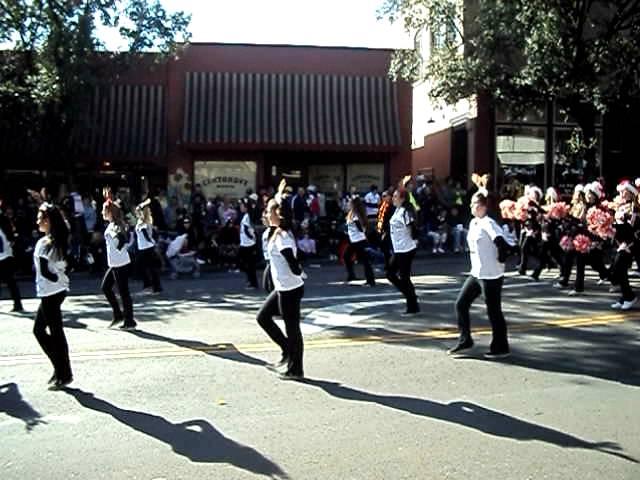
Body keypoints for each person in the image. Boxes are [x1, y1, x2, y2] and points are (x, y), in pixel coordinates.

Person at [448, 174, 511, 359]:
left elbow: (501, 242)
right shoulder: (474, 222)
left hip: (491, 275)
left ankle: (501, 346)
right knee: (461, 304)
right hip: (476, 273)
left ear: (483, 206)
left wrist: (500, 259)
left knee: (494, 312)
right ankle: (465, 340)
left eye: (473, 203)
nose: (470, 206)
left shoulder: (488, 223)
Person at [257, 198, 306, 379]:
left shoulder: (283, 237)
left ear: (278, 214)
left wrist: (299, 272)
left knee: (293, 329)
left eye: (270, 211)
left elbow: (293, 264)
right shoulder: (277, 232)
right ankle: (287, 350)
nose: (267, 214)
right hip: (282, 288)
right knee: (262, 317)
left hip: (290, 289)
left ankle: (296, 369)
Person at [32, 203, 73, 389]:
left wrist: (55, 276)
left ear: (48, 221)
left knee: (42, 331)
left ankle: (62, 371)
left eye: (40, 218)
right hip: (58, 290)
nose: (37, 221)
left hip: (50, 291)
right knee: (54, 332)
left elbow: (44, 272)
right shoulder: (56, 239)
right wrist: (61, 276)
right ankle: (62, 371)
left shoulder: (45, 243)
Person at [102, 193, 136, 330]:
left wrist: (119, 248)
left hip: (120, 263)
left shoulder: (115, 226)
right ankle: (118, 314)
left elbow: (122, 238)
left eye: (104, 210)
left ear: (109, 212)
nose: (101, 212)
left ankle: (129, 320)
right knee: (106, 287)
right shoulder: (113, 224)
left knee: (123, 292)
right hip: (115, 263)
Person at [387, 189, 419, 315]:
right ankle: (410, 296)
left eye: (395, 196)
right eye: (393, 196)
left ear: (402, 199)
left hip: (406, 249)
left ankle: (412, 305)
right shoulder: (397, 210)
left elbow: (413, 227)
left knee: (404, 278)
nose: (393, 198)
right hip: (398, 248)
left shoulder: (406, 212)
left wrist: (414, 240)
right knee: (390, 274)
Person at [611, 180, 638, 310]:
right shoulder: (621, 205)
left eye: (625, 191)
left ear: (631, 192)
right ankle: (625, 297)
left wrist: (625, 218)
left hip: (632, 242)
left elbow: (634, 225)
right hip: (622, 242)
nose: (622, 193)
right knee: (619, 269)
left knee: (619, 266)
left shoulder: (635, 206)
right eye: (621, 191)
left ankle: (630, 297)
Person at [344, 196, 375, 286]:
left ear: (354, 204)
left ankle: (370, 280)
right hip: (353, 241)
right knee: (346, 257)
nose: (348, 204)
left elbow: (361, 228)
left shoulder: (356, 215)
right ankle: (351, 276)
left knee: (365, 261)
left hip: (360, 241)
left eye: (350, 203)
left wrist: (360, 230)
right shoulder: (351, 213)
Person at [135, 200, 162, 294]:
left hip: (146, 248)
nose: (137, 213)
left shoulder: (143, 222)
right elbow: (137, 208)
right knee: (150, 268)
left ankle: (150, 287)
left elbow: (145, 234)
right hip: (146, 248)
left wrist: (152, 242)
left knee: (146, 269)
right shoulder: (145, 221)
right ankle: (155, 287)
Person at [0, 211, 24, 312]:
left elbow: (10, 238)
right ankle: (17, 303)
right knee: (11, 281)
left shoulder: (4, 222)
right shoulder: (4, 222)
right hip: (6, 254)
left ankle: (18, 304)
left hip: (5, 255)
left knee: (10, 281)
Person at [239, 198, 258, 289]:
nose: (240, 207)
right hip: (244, 243)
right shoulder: (245, 216)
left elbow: (247, 229)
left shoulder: (247, 216)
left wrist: (252, 238)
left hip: (248, 244)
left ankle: (253, 283)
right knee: (244, 263)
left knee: (250, 265)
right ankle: (250, 281)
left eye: (242, 206)